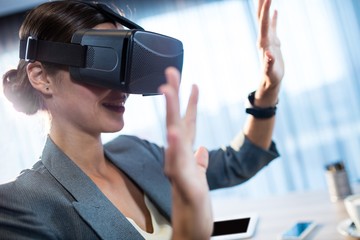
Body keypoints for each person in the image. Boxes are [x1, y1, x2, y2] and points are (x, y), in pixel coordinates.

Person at [0, 0, 283, 239]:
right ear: (41, 77)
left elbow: (239, 162)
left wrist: (269, 87)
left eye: (125, 66)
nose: (122, 88)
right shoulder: (20, 203)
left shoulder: (136, 152)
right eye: (104, 64)